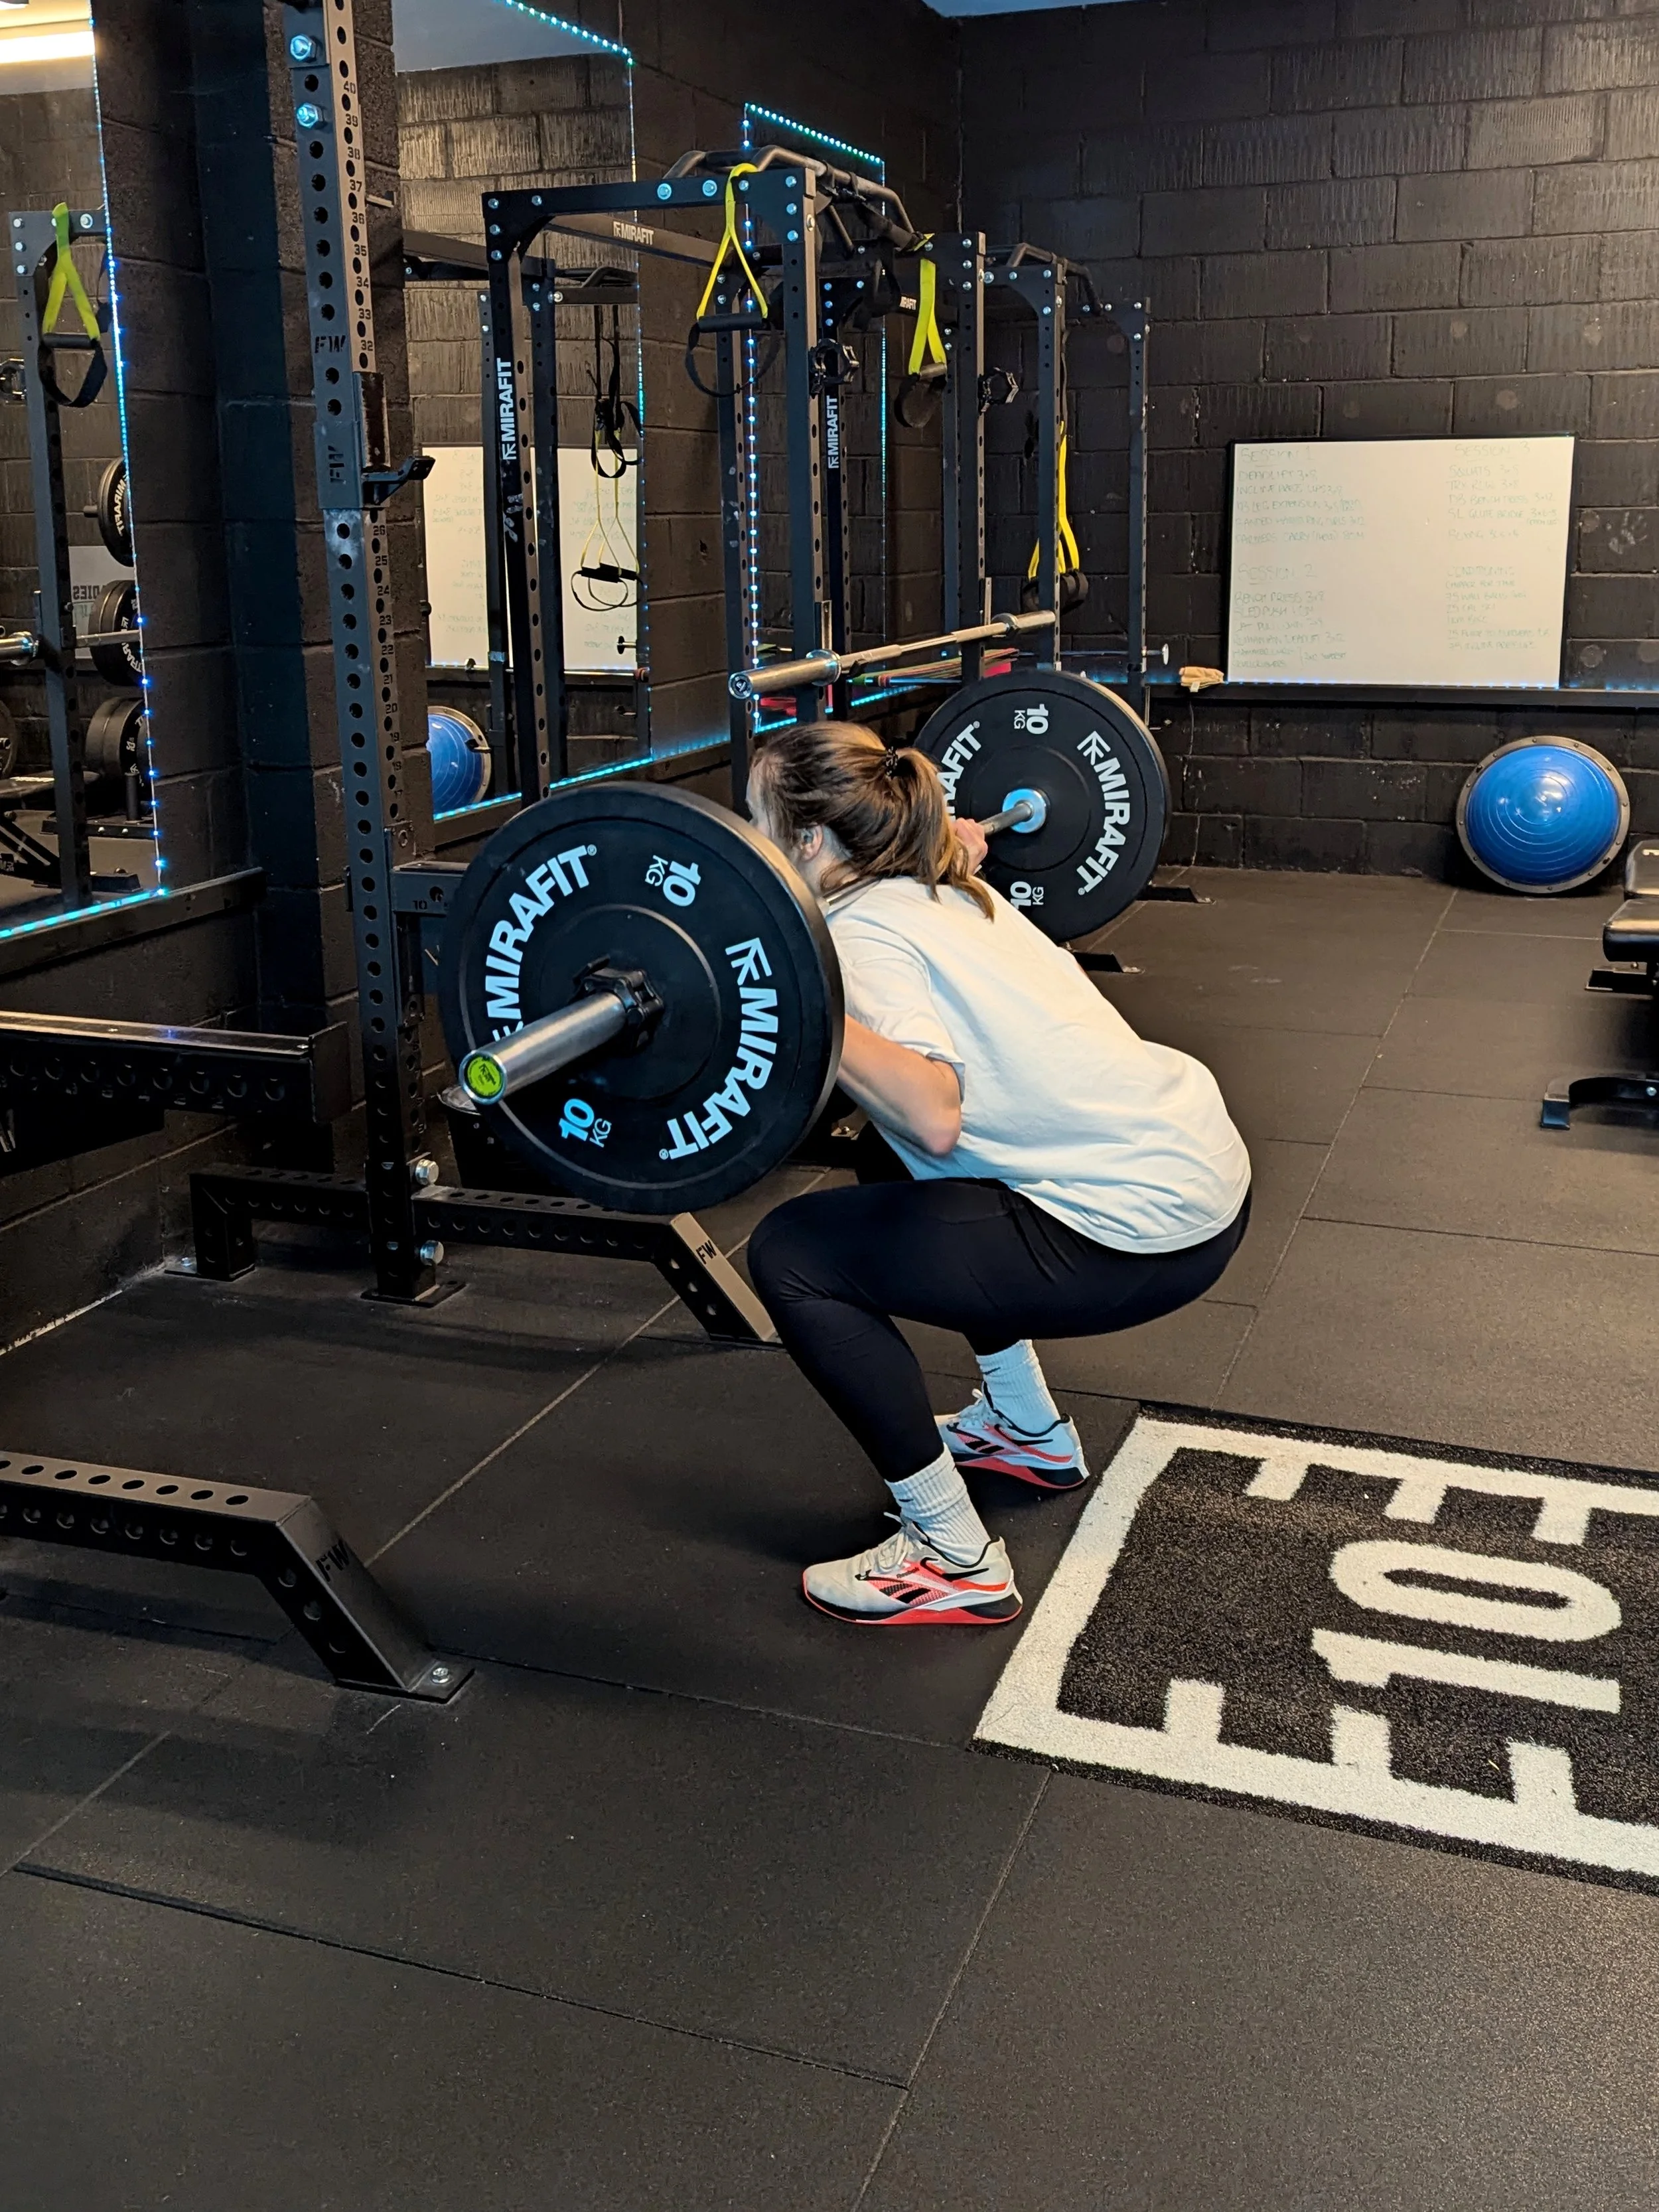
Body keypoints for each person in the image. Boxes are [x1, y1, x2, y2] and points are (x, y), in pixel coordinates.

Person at [745, 720, 1252, 1629]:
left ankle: (951, 1553)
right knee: (876, 1152)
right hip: (1203, 1180)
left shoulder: (859, 942)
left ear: (813, 842)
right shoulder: (949, 885)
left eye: (760, 824)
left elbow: (936, 1116)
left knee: (793, 1252)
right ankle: (1026, 1432)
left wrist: (806, 991)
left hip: (1134, 1240)